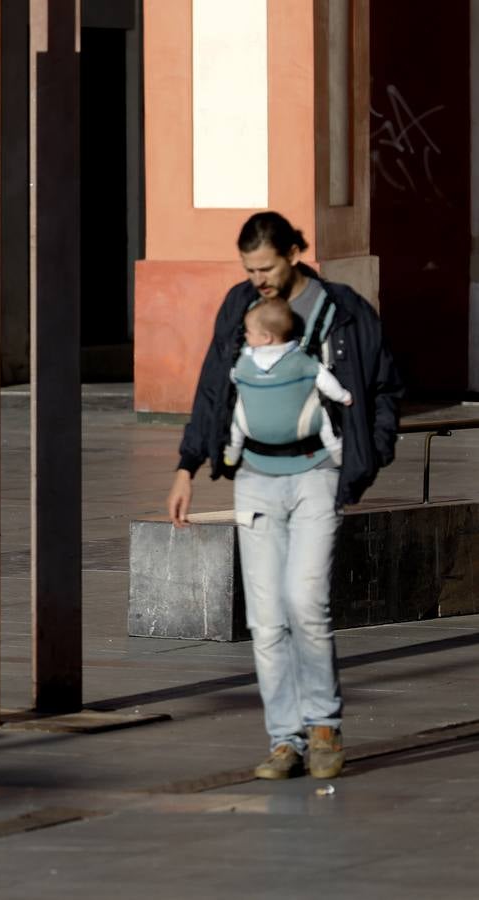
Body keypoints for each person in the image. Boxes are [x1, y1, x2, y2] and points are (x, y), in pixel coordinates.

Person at [166, 211, 402, 781]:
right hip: (254, 479)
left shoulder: (342, 310)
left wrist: (370, 455)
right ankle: (285, 740)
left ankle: (323, 727)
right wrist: (187, 465)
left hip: (319, 475)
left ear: (295, 252)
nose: (259, 279)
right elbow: (213, 385)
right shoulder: (238, 307)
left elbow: (384, 386)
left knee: (306, 603)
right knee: (267, 618)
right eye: (249, 269)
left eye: (266, 267)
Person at [223, 298, 352, 469]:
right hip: (299, 427)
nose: (245, 335)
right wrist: (343, 396)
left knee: (238, 414)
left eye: (249, 332)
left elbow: (233, 377)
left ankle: (233, 449)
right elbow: (324, 379)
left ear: (266, 337)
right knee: (323, 414)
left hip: (252, 428)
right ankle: (336, 449)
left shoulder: (244, 362)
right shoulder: (300, 360)